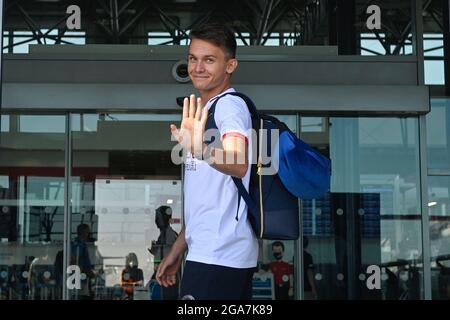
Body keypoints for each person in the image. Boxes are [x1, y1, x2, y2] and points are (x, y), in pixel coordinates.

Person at [156, 22, 258, 300]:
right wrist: (178, 251)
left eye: (209, 60)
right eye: (193, 58)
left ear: (230, 65)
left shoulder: (229, 106)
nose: (197, 67)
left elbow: (238, 163)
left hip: (221, 255)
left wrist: (201, 150)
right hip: (209, 253)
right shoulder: (208, 110)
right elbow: (206, 201)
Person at [149, 205, 179, 300]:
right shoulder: (163, 235)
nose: (156, 220)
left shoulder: (170, 235)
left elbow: (170, 255)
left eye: (158, 217)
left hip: (167, 277)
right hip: (162, 276)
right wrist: (155, 251)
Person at [70, 223, 96, 299]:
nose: (88, 235)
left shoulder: (83, 244)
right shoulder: (77, 245)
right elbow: (74, 260)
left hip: (84, 275)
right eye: (87, 232)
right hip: (80, 275)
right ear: (82, 233)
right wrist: (86, 271)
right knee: (81, 295)